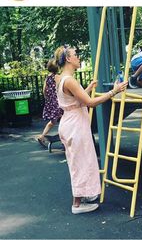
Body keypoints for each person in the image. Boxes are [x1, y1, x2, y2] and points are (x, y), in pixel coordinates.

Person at [54, 46, 128, 214]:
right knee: (80, 162)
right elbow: (89, 102)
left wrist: (87, 88)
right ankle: (77, 204)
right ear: (68, 59)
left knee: (79, 160)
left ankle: (83, 196)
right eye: (75, 55)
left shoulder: (62, 78)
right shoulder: (70, 80)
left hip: (69, 122)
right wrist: (114, 91)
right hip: (75, 125)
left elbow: (75, 100)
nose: (78, 58)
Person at [37, 60, 63, 147]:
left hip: (51, 102)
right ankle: (64, 139)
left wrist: (48, 99)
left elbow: (44, 90)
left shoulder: (48, 77)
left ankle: (42, 136)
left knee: (53, 121)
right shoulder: (58, 77)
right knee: (63, 120)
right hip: (58, 102)